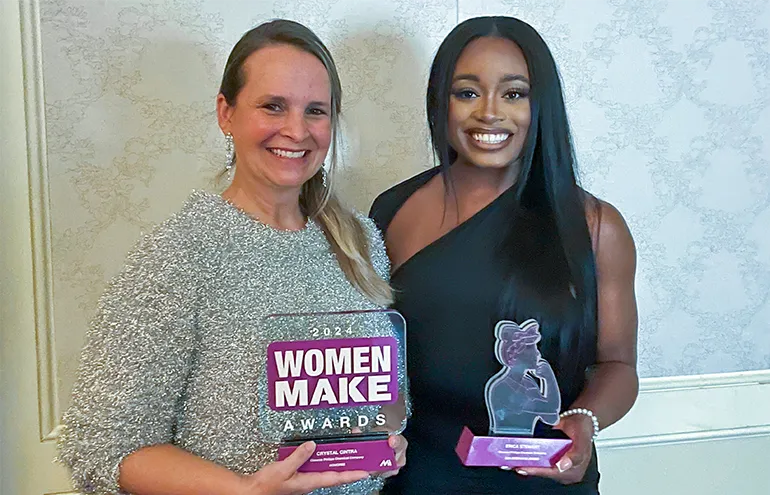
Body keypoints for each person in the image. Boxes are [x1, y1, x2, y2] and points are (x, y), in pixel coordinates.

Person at [57, 19, 406, 495]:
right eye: (273, 106)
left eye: (316, 111)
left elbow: (380, 392)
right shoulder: (179, 255)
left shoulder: (360, 242)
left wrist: (385, 436)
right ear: (226, 113)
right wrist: (244, 492)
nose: (296, 130)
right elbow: (99, 447)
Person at [370, 16, 638, 494]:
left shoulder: (598, 227)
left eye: (514, 94)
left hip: (541, 475)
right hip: (420, 474)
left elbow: (618, 365)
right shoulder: (392, 210)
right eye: (467, 93)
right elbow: (376, 351)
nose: (489, 113)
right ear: (441, 102)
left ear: (541, 106)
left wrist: (582, 421)